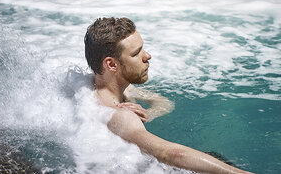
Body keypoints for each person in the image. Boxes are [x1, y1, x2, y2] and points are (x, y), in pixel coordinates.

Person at [84, 17, 253, 174]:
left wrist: (147, 114)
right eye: (136, 54)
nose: (148, 56)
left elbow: (163, 102)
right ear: (111, 64)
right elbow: (169, 154)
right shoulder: (118, 115)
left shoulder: (102, 88)